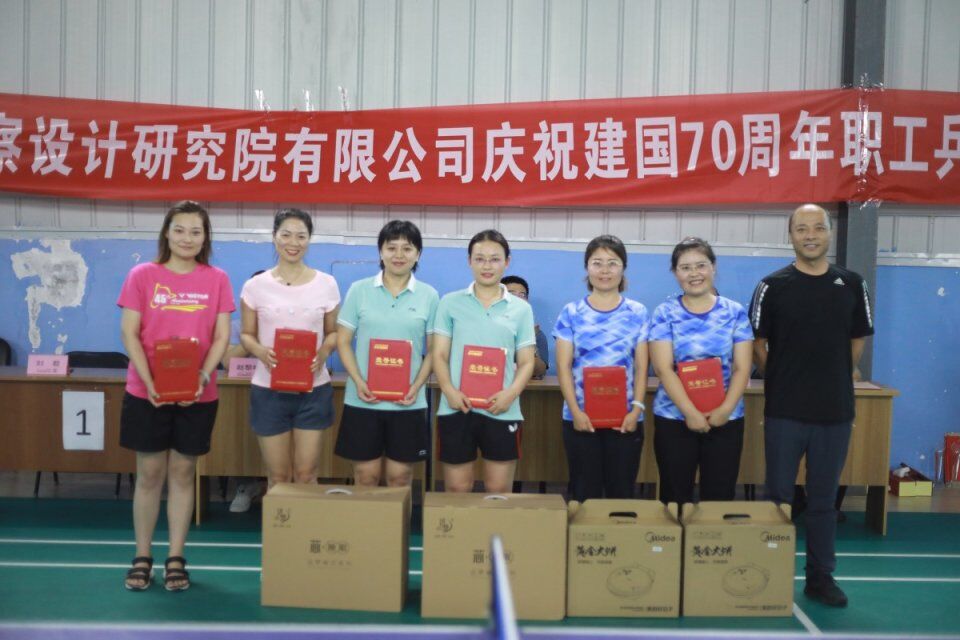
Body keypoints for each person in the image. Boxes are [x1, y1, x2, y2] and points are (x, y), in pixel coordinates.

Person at [749, 203, 874, 608]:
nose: (810, 235)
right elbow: (758, 344)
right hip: (784, 411)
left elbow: (857, 340)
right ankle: (769, 575)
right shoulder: (772, 285)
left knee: (823, 502)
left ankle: (820, 578)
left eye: (817, 228)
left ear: (829, 233)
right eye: (801, 229)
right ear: (790, 236)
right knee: (777, 497)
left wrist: (833, 375)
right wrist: (783, 377)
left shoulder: (852, 284)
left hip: (834, 412)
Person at [118, 201, 234, 591]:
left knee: (184, 474)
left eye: (196, 231)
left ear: (205, 237)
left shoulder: (217, 279)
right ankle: (142, 556)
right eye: (180, 229)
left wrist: (202, 375)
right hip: (146, 391)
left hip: (198, 393)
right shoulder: (142, 275)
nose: (187, 238)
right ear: (167, 233)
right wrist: (149, 380)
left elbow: (221, 337)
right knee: (149, 474)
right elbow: (129, 333)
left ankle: (176, 558)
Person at [239, 209, 340, 490]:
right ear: (274, 237)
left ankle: (307, 521)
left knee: (307, 474)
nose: (293, 242)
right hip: (268, 390)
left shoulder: (326, 284)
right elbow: (246, 334)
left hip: (313, 390)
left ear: (309, 240)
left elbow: (333, 332)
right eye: (286, 235)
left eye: (301, 236)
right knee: (278, 477)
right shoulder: (255, 286)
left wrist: (323, 353)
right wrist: (260, 351)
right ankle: (280, 521)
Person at [334, 220, 439, 488]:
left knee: (399, 477)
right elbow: (343, 341)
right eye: (391, 248)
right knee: (365, 476)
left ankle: (398, 520)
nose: (399, 255)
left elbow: (434, 350)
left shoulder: (429, 295)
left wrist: (416, 386)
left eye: (407, 248)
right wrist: (358, 381)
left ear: (418, 254)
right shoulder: (359, 290)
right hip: (362, 399)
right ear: (381, 252)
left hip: (408, 401)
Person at [649, 237, 753, 505]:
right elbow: (663, 368)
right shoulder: (664, 313)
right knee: (674, 497)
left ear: (713, 267)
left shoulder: (734, 312)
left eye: (701, 265)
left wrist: (725, 410)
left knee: (719, 498)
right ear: (675, 273)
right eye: (685, 267)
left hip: (726, 417)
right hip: (674, 417)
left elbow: (742, 367)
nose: (694, 273)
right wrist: (691, 413)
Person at [433, 230, 536, 493]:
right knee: (457, 488)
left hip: (502, 409)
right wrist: (449, 391)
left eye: (494, 259)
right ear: (469, 261)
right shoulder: (450, 303)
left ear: (507, 262)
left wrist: (510, 394)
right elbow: (439, 354)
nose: (487, 266)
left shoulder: (521, 309)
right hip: (456, 407)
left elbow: (527, 362)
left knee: (498, 490)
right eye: (480, 259)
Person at [554, 235, 649, 501]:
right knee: (584, 494)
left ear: (623, 268)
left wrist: (636, 409)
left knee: (621, 493)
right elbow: (563, 366)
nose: (605, 270)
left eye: (612, 263)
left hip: (626, 419)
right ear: (587, 267)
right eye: (597, 263)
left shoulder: (638, 312)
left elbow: (642, 366)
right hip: (580, 418)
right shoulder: (571, 312)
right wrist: (575, 411)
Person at [220, 270, 265, 513]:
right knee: (238, 435)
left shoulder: (291, 321)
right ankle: (246, 485)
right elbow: (227, 361)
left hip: (280, 392)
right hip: (242, 395)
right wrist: (251, 337)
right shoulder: (235, 326)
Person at [501, 275, 549, 379]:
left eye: (522, 295)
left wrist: (529, 339)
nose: (518, 299)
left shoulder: (536, 334)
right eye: (511, 294)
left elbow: (539, 371)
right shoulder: (486, 328)